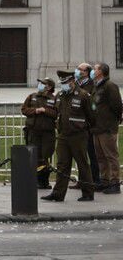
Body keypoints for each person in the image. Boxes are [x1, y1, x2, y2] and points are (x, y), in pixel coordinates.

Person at [43, 72, 96, 202]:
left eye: (65, 83)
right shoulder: (60, 96)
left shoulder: (83, 95)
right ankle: (58, 194)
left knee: (82, 164)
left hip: (78, 135)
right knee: (62, 165)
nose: (64, 86)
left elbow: (92, 116)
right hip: (63, 136)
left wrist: (85, 130)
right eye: (62, 84)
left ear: (72, 81)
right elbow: (57, 113)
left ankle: (88, 193)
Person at [91, 62, 121, 194]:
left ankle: (114, 183)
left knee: (111, 156)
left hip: (107, 128)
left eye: (95, 69)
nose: (93, 70)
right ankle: (105, 181)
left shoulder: (110, 86)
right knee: (101, 157)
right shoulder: (96, 86)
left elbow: (117, 106)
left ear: (101, 72)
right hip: (97, 128)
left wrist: (112, 123)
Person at [21, 78, 57, 188]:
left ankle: (44, 181)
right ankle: (35, 180)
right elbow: (24, 109)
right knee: (34, 156)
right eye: (40, 83)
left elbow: (57, 113)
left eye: (43, 84)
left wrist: (45, 110)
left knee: (45, 157)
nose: (40, 85)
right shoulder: (32, 96)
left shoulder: (54, 99)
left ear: (49, 87)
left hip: (47, 133)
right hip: (33, 131)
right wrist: (35, 111)